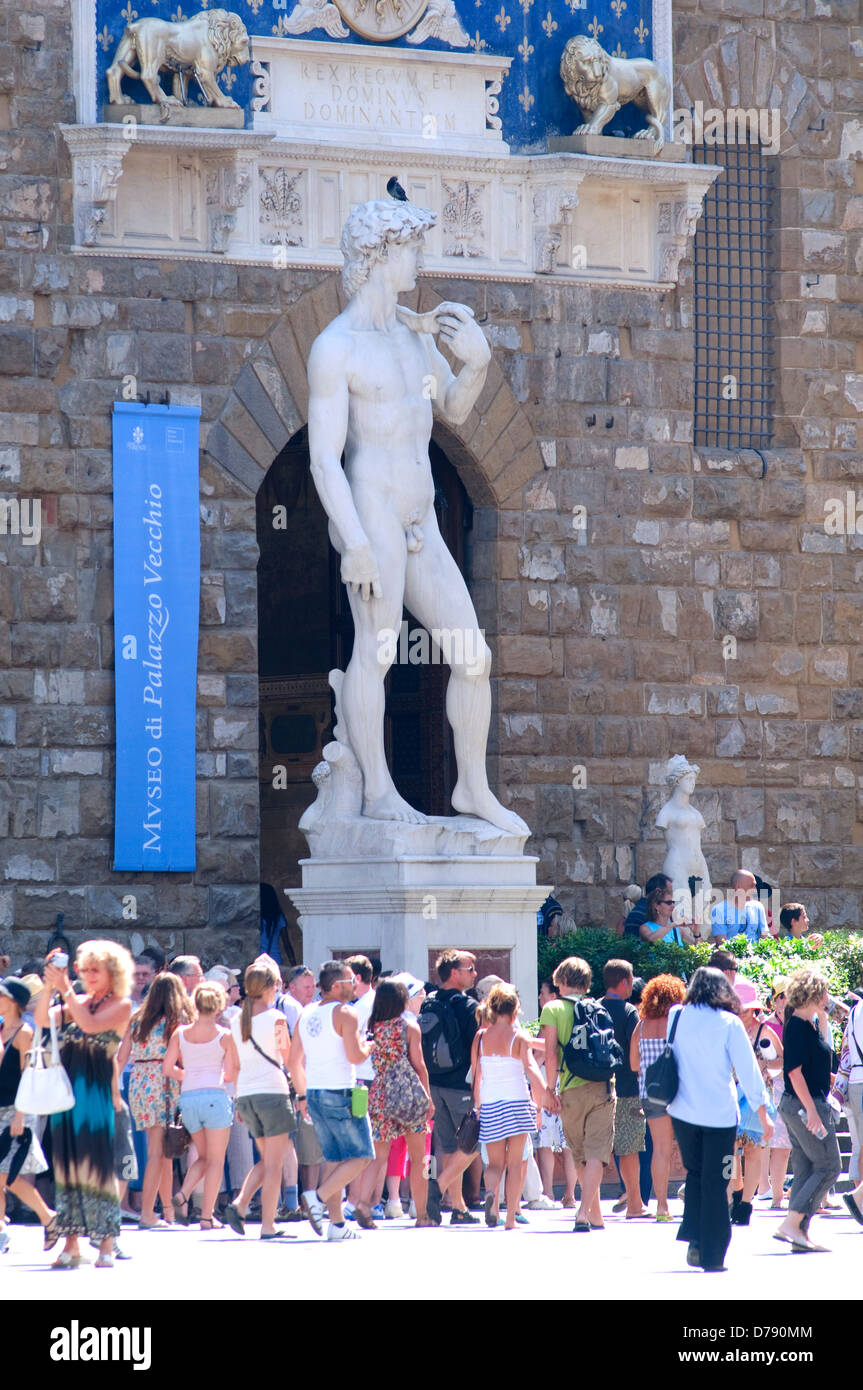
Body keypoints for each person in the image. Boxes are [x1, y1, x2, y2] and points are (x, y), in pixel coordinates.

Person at [307, 197, 525, 836]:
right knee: (375, 654)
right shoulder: (334, 349)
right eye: (411, 249)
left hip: (420, 519)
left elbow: (453, 410)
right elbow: (324, 462)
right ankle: (379, 791)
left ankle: (472, 789)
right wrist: (354, 543)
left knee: (471, 654)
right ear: (378, 256)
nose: (420, 261)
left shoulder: (412, 333)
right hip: (372, 514)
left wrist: (477, 363)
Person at [36, 942, 134, 1269]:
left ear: (112, 973)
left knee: (97, 1166)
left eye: (96, 970)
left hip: (95, 1095)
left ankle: (106, 1242)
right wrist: (52, 985)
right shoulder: (74, 1001)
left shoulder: (121, 1005)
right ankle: (72, 1243)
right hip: (67, 1095)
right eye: (85, 969)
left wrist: (65, 991)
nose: (88, 976)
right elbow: (41, 1020)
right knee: (67, 1166)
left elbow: (91, 1026)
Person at [667, 967, 772, 1272]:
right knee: (717, 1181)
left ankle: (695, 1238)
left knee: (696, 1174)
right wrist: (763, 1115)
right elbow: (749, 1072)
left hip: (682, 1113)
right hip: (720, 1116)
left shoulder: (676, 1014)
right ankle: (712, 1252)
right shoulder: (730, 1024)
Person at [290, 960, 374, 1242]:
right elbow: (355, 1057)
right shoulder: (346, 1013)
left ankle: (337, 1224)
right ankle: (319, 1196)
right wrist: (368, 1045)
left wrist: (302, 1095)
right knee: (362, 1155)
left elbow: (294, 1061)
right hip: (341, 1091)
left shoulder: (307, 1012)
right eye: (351, 980)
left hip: (314, 1093)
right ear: (336, 985)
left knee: (336, 1159)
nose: (355, 984)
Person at [540, 956, 616, 1233]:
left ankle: (583, 1211)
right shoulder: (597, 1008)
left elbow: (550, 1054)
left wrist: (549, 1090)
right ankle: (592, 1214)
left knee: (580, 1155)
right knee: (596, 1153)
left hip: (570, 1088)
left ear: (561, 980)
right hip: (603, 1086)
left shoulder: (553, 1008)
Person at [224, 960, 297, 1241]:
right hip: (273, 1093)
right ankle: (267, 1224)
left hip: (247, 1096)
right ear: (268, 988)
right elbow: (287, 1057)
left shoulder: (235, 1021)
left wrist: (239, 1100)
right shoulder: (276, 1018)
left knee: (269, 1159)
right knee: (275, 1163)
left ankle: (241, 1204)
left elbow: (235, 1066)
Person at [355, 978, 435, 1227]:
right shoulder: (409, 1027)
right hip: (407, 1091)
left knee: (378, 1156)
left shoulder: (374, 1027)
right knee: (419, 1157)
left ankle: (362, 1205)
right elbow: (419, 1065)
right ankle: (422, 1214)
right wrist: (427, 1098)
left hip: (379, 1091)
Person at [774, 965, 842, 1252]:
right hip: (805, 1104)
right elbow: (794, 1072)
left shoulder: (807, 1023)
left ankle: (799, 1232)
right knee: (829, 1165)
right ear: (815, 992)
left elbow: (822, 1056)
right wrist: (812, 1111)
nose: (828, 996)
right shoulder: (799, 1027)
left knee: (805, 1168)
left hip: (800, 1103)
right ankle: (792, 1222)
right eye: (825, 991)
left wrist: (825, 1015)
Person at [119, 972, 194, 1230]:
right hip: (164, 1085)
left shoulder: (137, 1020)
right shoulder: (175, 1022)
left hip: (139, 1082)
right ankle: (148, 1213)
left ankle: (167, 1213)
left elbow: (121, 1057)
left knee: (163, 1152)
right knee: (157, 1152)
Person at [163, 980, 239, 1230]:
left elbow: (168, 1068)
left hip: (189, 1099)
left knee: (203, 1156)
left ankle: (183, 1193)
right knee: (216, 1160)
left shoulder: (180, 1033)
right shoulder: (224, 1036)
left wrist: (188, 1076)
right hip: (215, 1098)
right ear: (218, 1006)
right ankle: (207, 1216)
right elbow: (231, 1073)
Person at [472, 983, 549, 1230]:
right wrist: (542, 1099)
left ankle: (490, 1198)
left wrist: (478, 1105)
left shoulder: (481, 1037)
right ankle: (511, 1220)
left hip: (491, 1103)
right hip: (516, 1103)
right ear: (515, 1010)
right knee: (516, 1164)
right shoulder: (519, 1036)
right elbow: (530, 1068)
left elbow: (477, 1075)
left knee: (494, 1165)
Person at [422, 949, 482, 1226]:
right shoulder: (468, 1007)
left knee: (448, 1146)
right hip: (461, 1086)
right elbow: (477, 1049)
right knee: (474, 1142)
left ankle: (457, 1207)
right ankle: (440, 1186)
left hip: (435, 1082)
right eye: (470, 969)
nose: (474, 974)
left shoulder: (428, 1001)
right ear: (455, 973)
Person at [0, 977, 57, 1254]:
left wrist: (20, 1116)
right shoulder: (1, 1030)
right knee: (1, 1176)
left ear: (12, 1002)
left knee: (4, 1177)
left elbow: (28, 1077)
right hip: (0, 1109)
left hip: (15, 1111)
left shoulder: (24, 1033)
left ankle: (47, 1216)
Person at [630, 973, 686, 1222]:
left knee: (660, 1149)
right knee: (687, 1148)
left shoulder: (641, 1026)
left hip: (651, 1094)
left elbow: (633, 1064)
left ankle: (661, 1206)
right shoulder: (678, 1022)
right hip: (679, 1091)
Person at [728, 978, 777, 1227]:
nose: (741, 1012)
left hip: (756, 1097)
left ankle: (746, 1203)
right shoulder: (730, 1028)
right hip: (733, 1095)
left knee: (753, 1150)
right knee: (731, 1152)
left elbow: (781, 1060)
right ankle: (734, 1195)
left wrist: (766, 1063)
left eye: (745, 1008)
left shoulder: (764, 1031)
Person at [601, 959, 647, 1218]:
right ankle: (635, 1205)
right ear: (624, 982)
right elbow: (636, 1048)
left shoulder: (592, 1008)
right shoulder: (630, 1012)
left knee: (596, 1150)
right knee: (629, 1149)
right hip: (628, 1086)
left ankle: (590, 1207)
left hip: (598, 1084)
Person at [761, 978, 791, 1209]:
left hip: (797, 1084)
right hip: (775, 1086)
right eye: (784, 995)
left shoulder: (800, 1020)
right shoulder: (768, 1025)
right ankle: (775, 1195)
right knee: (779, 1144)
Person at [710, 871, 777, 944]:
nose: (755, 890)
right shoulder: (719, 910)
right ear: (738, 887)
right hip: (732, 954)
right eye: (752, 886)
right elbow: (721, 944)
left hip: (756, 954)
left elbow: (765, 937)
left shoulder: (758, 907)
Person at [277, 965, 315, 1035]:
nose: (311, 991)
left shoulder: (315, 1007)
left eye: (313, 986)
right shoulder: (288, 1007)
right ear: (292, 987)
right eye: (307, 987)